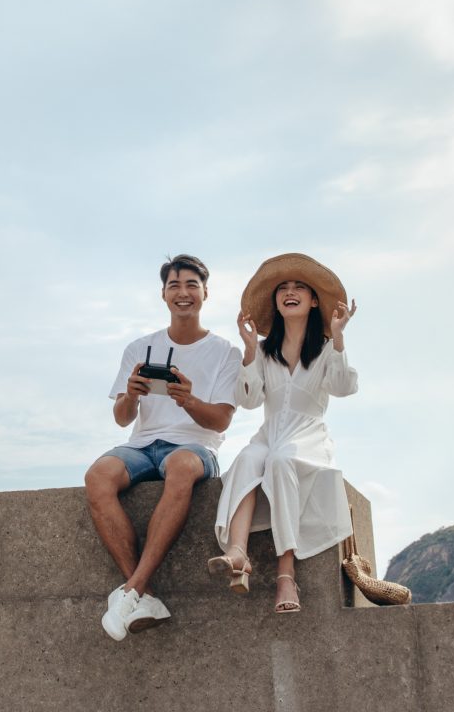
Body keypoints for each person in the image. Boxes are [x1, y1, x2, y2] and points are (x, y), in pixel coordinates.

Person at [84, 254, 242, 641]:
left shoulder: (226, 352)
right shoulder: (140, 348)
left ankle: (131, 590)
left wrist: (188, 400)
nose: (183, 293)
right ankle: (145, 594)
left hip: (195, 447)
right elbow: (122, 418)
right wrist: (132, 395)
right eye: (174, 286)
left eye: (191, 285)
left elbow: (221, 420)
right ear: (163, 294)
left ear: (206, 293)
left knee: (182, 466)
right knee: (97, 476)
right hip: (142, 445)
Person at [209, 253, 358, 614]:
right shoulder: (263, 351)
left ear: (314, 300)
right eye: (283, 288)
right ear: (275, 301)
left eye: (299, 287)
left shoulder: (326, 350)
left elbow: (343, 387)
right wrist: (248, 352)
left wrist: (338, 339)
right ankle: (238, 553)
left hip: (308, 436)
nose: (290, 292)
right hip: (269, 432)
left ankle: (286, 574)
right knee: (248, 458)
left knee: (280, 460)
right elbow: (250, 400)